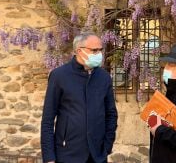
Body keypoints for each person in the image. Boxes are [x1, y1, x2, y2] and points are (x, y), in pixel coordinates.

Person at [41, 32, 118, 163]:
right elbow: (48, 119)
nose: (99, 54)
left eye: (100, 50)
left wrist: (107, 146)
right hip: (68, 153)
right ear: (79, 51)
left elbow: (111, 114)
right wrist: (49, 157)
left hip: (97, 155)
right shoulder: (59, 76)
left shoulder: (104, 77)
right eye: (94, 50)